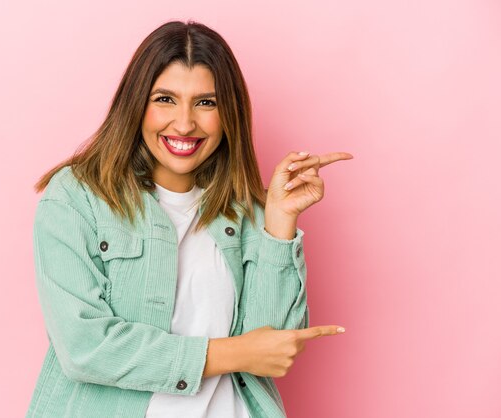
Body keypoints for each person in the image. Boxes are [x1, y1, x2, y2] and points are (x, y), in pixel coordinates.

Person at [26, 20, 352, 418]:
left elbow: (272, 348)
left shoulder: (244, 210)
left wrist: (279, 220)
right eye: (165, 99)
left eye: (206, 102)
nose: (184, 123)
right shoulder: (77, 198)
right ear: (136, 104)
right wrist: (230, 353)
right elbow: (84, 346)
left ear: (228, 113)